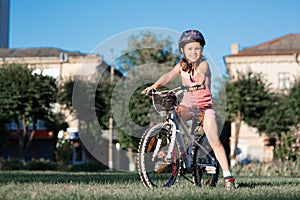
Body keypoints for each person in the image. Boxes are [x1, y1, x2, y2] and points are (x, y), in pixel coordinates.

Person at [142, 29, 235, 190]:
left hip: (205, 109)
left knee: (214, 140)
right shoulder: (181, 66)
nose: (193, 52)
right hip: (188, 107)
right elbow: (168, 75)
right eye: (189, 48)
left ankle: (228, 177)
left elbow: (202, 74)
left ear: (202, 50)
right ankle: (171, 151)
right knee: (171, 115)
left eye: (197, 48)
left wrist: (197, 83)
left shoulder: (203, 64)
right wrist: (155, 86)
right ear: (182, 51)